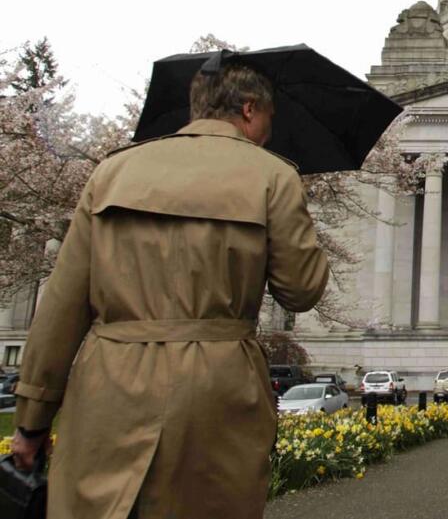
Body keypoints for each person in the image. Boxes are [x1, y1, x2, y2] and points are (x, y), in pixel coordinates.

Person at [9, 62, 330, 518]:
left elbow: (61, 307)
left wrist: (32, 422)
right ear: (248, 108)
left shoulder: (112, 172)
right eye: (268, 120)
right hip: (216, 387)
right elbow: (301, 291)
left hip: (111, 379)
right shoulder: (273, 176)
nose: (268, 132)